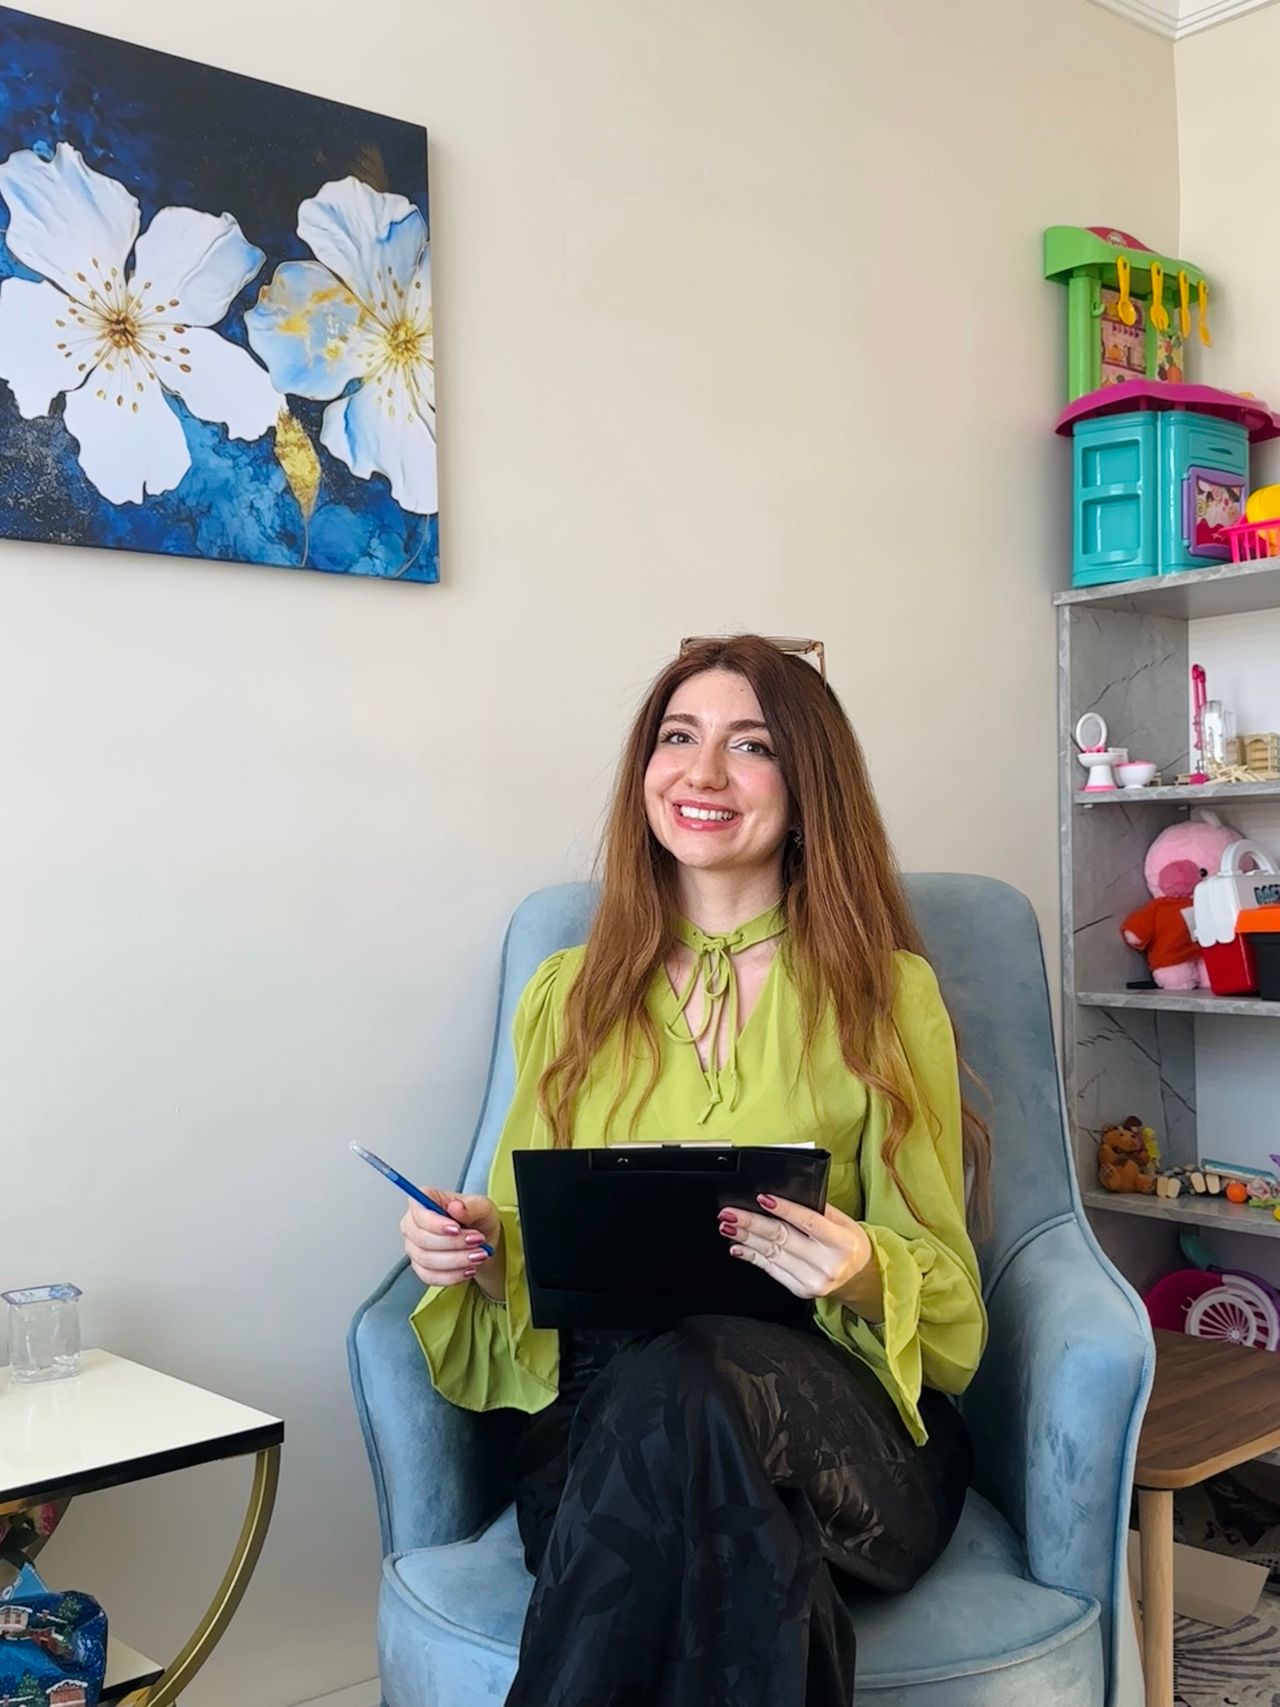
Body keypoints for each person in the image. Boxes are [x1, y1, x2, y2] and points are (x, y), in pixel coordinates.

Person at [402, 634, 989, 1707]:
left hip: (831, 1427)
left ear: (806, 789)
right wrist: (473, 1247)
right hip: (603, 1428)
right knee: (706, 1472)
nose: (702, 772)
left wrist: (863, 1266)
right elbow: (527, 1265)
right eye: (677, 738)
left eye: (750, 745)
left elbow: (951, 1316)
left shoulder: (884, 993)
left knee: (689, 1382)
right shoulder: (566, 994)